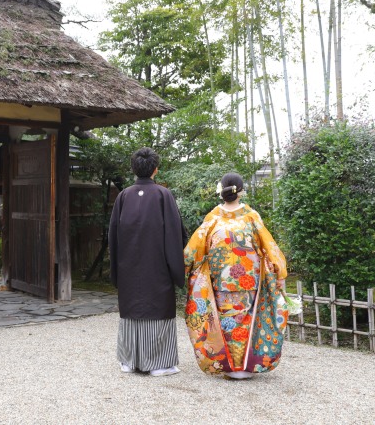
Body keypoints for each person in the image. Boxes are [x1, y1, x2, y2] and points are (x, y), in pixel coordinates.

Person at [184, 172, 287, 379]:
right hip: (249, 278)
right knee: (245, 320)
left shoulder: (213, 218)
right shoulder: (251, 216)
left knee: (225, 322)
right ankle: (244, 367)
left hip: (220, 280)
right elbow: (269, 245)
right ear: (240, 192)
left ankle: (229, 366)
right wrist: (279, 270)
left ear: (221, 192)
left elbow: (194, 249)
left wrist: (185, 269)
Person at [108, 147, 185, 377]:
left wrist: (117, 270)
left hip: (129, 267)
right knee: (157, 309)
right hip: (157, 267)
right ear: (155, 170)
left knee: (132, 310)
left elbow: (113, 236)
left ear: (134, 169)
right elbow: (174, 234)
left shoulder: (123, 196)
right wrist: (176, 269)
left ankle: (129, 361)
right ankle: (159, 364)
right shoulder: (163, 195)